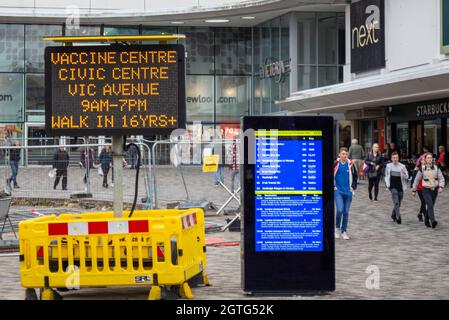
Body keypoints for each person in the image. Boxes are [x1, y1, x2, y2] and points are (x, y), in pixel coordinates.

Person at [412, 153, 445, 228]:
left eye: (431, 158)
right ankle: (433, 221)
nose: (430, 159)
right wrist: (414, 190)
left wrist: (441, 186)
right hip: (426, 190)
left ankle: (426, 220)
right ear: (425, 159)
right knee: (430, 204)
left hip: (434, 190)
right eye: (428, 158)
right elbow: (416, 180)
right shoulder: (422, 169)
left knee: (431, 206)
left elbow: (441, 178)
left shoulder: (437, 168)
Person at [334, 147, 358, 240]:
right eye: (343, 154)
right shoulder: (336, 163)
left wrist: (353, 187)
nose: (344, 155)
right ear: (339, 154)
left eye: (346, 154)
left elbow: (355, 176)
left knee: (346, 212)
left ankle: (344, 232)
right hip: (338, 191)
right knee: (339, 210)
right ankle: (336, 229)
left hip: (348, 192)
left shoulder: (350, 164)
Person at [384, 152, 409, 224]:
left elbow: (407, 177)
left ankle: (393, 214)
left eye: (397, 158)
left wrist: (404, 173)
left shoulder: (402, 166)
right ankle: (398, 217)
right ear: (391, 159)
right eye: (394, 158)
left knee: (399, 202)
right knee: (396, 202)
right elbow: (386, 176)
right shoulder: (388, 166)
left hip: (400, 186)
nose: (395, 159)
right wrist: (387, 184)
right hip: (392, 186)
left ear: (398, 158)